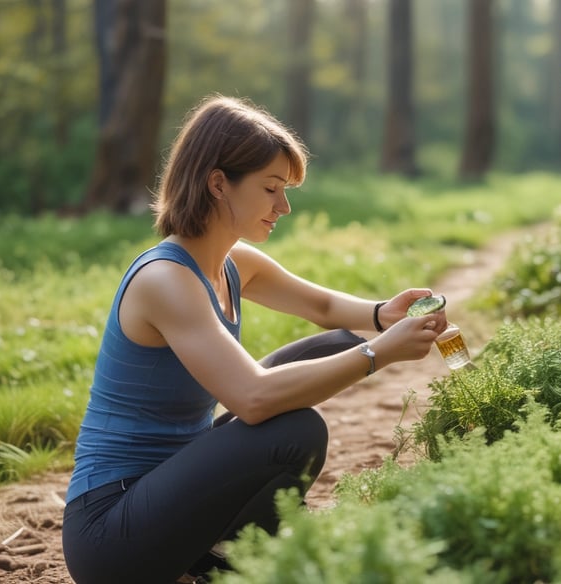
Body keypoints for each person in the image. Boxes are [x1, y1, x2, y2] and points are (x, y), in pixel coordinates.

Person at [61, 94, 447, 584]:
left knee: (330, 345)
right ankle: (236, 555)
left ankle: (218, 555)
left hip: (168, 496)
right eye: (270, 189)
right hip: (111, 536)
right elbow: (253, 398)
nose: (283, 206)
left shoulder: (229, 263)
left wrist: (381, 315)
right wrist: (379, 354)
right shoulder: (165, 280)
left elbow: (323, 309)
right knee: (295, 431)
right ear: (218, 183)